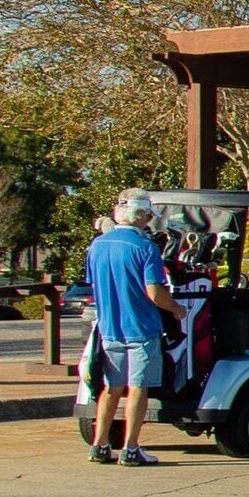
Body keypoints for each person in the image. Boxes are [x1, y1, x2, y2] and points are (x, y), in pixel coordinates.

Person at [80, 194, 182, 466]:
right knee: (138, 388)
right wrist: (176, 309)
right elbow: (154, 292)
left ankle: (100, 445)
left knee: (112, 387)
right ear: (140, 216)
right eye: (148, 216)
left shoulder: (98, 245)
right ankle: (131, 448)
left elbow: (94, 283)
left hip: (109, 327)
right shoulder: (145, 248)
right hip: (141, 328)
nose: (150, 221)